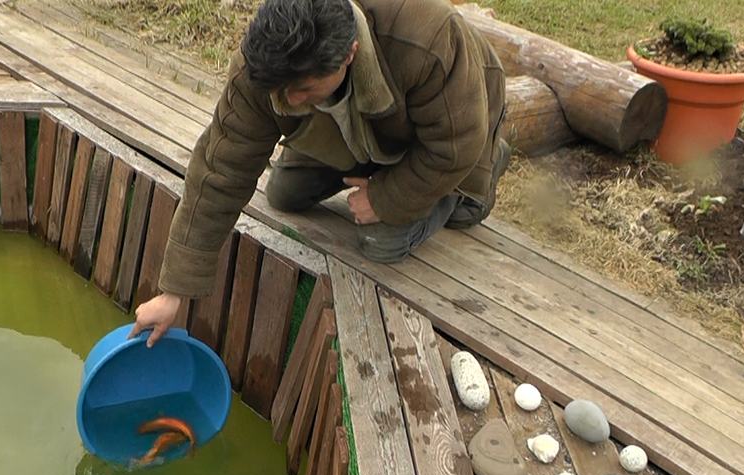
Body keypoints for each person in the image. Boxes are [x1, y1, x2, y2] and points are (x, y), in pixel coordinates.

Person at [130, 0, 509, 346]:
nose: (290, 101)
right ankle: (374, 161)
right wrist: (174, 291)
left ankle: (485, 170)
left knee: (385, 239)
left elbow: (454, 146)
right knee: (284, 193)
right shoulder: (265, 66)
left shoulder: (428, 39)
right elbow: (221, 167)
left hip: (455, 128)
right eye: (283, 90)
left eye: (305, 89)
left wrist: (384, 197)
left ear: (349, 54)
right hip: (363, 132)